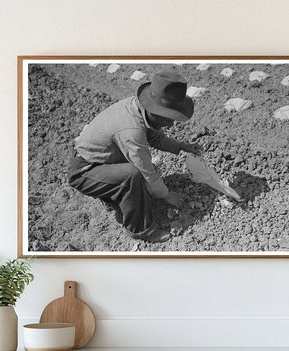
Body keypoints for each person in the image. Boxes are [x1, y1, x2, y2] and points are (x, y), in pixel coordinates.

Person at [68, 71, 202, 243]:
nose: (171, 123)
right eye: (169, 118)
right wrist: (167, 195)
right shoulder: (132, 131)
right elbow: (145, 170)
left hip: (101, 161)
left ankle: (116, 194)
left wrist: (182, 146)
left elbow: (155, 137)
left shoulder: (137, 109)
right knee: (132, 175)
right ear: (155, 111)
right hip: (84, 172)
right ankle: (142, 229)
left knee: (142, 175)